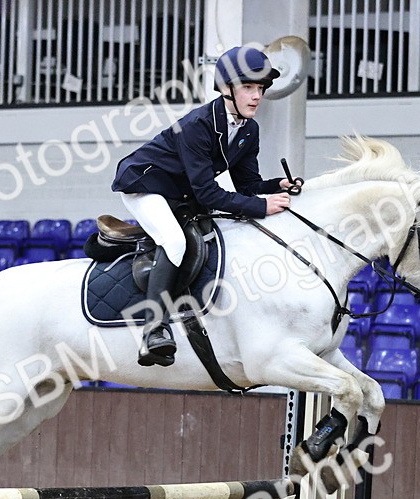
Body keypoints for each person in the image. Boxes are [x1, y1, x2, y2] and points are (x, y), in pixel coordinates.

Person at [112, 45, 296, 367]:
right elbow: (210, 194)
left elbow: (248, 187)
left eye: (261, 88)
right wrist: (261, 207)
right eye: (248, 87)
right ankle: (153, 331)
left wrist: (275, 186)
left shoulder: (249, 129)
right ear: (227, 88)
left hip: (182, 193)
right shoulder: (198, 124)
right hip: (145, 184)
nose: (257, 96)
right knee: (174, 241)